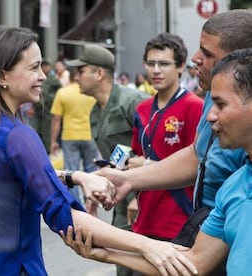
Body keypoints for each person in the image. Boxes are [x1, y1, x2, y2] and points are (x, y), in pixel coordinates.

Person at [0, 25, 196, 276]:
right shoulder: (17, 136)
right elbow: (65, 215)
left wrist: (77, 177)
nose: (43, 75)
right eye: (34, 68)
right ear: (3, 76)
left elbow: (9, 174)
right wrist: (148, 246)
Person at [62, 47, 252, 276]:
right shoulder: (233, 188)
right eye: (150, 63)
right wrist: (107, 253)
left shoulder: (189, 106)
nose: (210, 116)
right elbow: (194, 264)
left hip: (175, 215)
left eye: (220, 104)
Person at [65, 43, 148, 276]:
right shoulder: (95, 111)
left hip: (145, 196)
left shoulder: (133, 102)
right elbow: (116, 157)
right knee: (124, 263)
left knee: (144, 261)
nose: (76, 77)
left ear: (99, 73)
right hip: (122, 196)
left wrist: (140, 195)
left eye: (81, 71)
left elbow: (155, 151)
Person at [126, 33, 204, 243]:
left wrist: (148, 164)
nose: (156, 70)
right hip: (145, 217)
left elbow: (197, 165)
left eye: (164, 64)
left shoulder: (195, 107)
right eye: (151, 64)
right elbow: (137, 159)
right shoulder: (141, 109)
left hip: (179, 219)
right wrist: (135, 198)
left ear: (180, 67)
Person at [50, 66, 100, 210]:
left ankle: (76, 209)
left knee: (71, 174)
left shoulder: (63, 92)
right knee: (91, 171)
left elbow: (56, 119)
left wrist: (53, 141)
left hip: (69, 136)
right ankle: (92, 205)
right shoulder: (90, 93)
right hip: (90, 135)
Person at [30, 60, 61, 153]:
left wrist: (51, 98)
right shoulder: (37, 77)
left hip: (48, 109)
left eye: (46, 66)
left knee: (47, 132)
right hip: (38, 109)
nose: (44, 68)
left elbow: (59, 91)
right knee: (35, 131)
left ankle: (47, 152)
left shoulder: (53, 78)